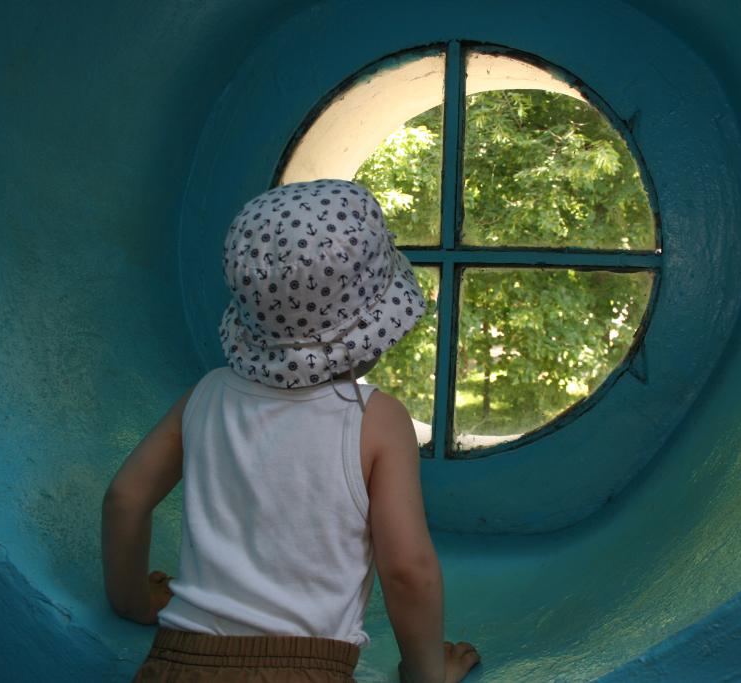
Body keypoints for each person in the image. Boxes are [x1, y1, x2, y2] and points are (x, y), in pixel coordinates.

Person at [101, 178, 481, 683]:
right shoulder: (377, 419)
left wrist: (133, 601)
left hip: (176, 662)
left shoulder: (207, 394)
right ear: (372, 332)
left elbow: (125, 499)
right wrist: (426, 674)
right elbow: (407, 570)